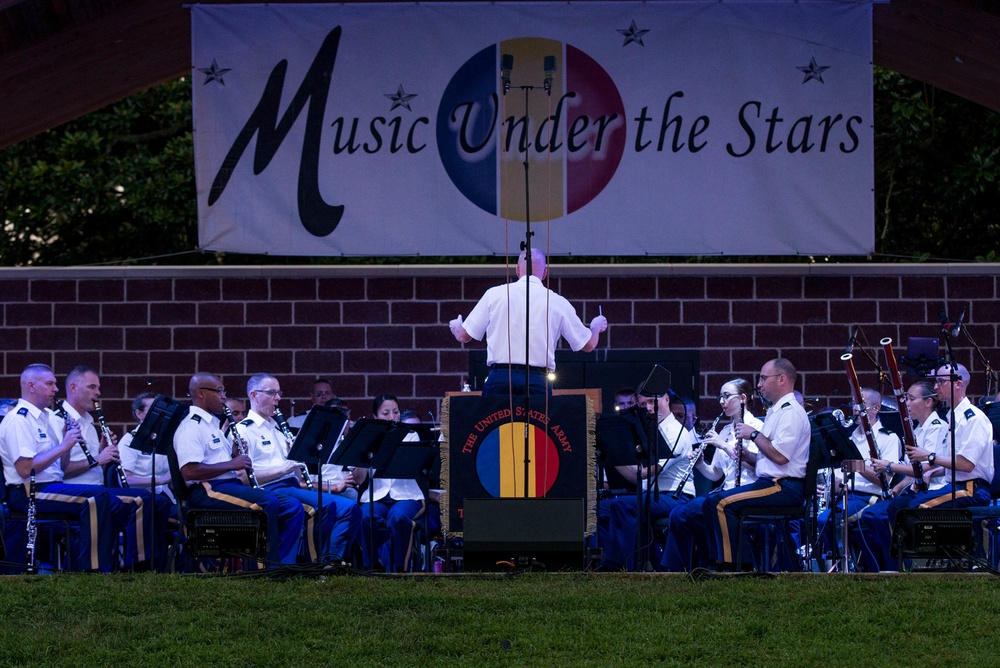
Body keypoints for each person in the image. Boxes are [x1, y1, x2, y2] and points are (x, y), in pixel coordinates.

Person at [173, 372, 305, 566]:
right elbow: (189, 471)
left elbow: (219, 462)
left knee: (292, 507)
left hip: (228, 485)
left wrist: (234, 455)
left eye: (223, 391)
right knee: (266, 501)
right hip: (207, 489)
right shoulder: (191, 427)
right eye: (219, 391)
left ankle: (284, 564)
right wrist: (232, 464)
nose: (224, 397)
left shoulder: (213, 424)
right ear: (200, 393)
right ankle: (265, 568)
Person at [0, 364, 118, 571]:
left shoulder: (46, 419)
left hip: (50, 486)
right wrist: (63, 445)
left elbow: (60, 468)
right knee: (95, 497)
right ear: (31, 386)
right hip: (28, 492)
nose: (55, 389)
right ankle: (92, 571)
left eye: (55, 384)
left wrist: (67, 443)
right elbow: (25, 469)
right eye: (49, 384)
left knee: (104, 497)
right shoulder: (18, 420)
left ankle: (79, 567)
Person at [237, 372, 361, 562]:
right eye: (272, 393)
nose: (278, 398)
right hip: (269, 490)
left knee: (349, 507)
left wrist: (299, 455)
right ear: (254, 395)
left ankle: (331, 562)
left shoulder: (278, 429)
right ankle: (312, 565)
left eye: (279, 393)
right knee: (325, 506)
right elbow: (244, 479)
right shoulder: (243, 430)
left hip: (292, 486)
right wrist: (285, 468)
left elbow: (295, 472)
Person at [878, 364, 994, 564]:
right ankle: (906, 565)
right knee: (897, 506)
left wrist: (929, 457)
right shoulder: (952, 417)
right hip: (957, 485)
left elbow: (966, 465)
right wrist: (935, 471)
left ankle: (932, 564)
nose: (936, 386)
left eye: (941, 381)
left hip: (972, 489)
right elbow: (954, 463)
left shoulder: (972, 418)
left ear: (958, 384)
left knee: (917, 507)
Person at [449, 248, 608, 396]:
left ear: (517, 270)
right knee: (537, 427)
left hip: (501, 378)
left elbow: (463, 336)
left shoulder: (494, 295)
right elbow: (588, 345)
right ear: (545, 273)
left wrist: (457, 326)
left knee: (497, 426)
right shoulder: (557, 302)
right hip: (537, 381)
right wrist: (595, 328)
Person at [59, 365, 171, 570]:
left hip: (97, 489)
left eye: (98, 388)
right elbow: (62, 469)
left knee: (160, 503)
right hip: (76, 490)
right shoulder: (60, 420)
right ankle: (138, 567)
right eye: (92, 387)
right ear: (73, 387)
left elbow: (94, 464)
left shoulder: (89, 421)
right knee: (143, 499)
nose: (98, 393)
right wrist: (99, 459)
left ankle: (154, 564)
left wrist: (104, 448)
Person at [704, 358, 811, 570]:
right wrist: (748, 457)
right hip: (772, 482)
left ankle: (735, 568)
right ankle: (733, 564)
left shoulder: (790, 412)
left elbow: (780, 456)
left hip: (783, 486)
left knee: (720, 504)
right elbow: (771, 457)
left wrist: (752, 434)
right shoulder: (776, 411)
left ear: (781, 379)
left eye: (763, 378)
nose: (759, 385)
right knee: (713, 501)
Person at [661, 379, 762, 571]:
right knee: (680, 513)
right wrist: (699, 464)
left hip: (747, 490)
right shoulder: (724, 430)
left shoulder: (756, 427)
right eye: (720, 397)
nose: (722, 402)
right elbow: (715, 474)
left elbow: (757, 466)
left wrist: (722, 445)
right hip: (725, 491)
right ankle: (684, 569)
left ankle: (705, 566)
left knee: (694, 511)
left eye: (727, 396)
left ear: (743, 398)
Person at [854, 379, 948, 571]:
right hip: (914, 490)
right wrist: (895, 488)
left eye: (911, 399)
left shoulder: (937, 426)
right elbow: (910, 473)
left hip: (934, 489)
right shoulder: (917, 428)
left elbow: (923, 469)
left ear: (928, 402)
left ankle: (900, 567)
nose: (905, 403)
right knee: (870, 516)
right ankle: (878, 568)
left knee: (880, 515)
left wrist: (889, 466)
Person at [597, 390, 696, 571]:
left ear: (667, 399)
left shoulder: (675, 432)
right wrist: (610, 454)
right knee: (601, 508)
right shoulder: (650, 430)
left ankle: (616, 566)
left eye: (652, 402)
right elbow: (636, 477)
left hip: (676, 496)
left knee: (623, 506)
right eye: (643, 405)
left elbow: (645, 473)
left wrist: (612, 453)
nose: (649, 408)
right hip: (650, 495)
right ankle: (609, 561)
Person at [814, 387, 900, 563]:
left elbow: (885, 481)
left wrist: (857, 465)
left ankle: (840, 565)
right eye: (854, 403)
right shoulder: (850, 439)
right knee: (820, 517)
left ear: (875, 408)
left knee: (827, 520)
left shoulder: (888, 438)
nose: (854, 409)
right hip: (845, 497)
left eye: (860, 404)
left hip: (869, 497)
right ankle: (840, 563)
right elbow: (839, 477)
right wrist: (830, 486)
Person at [354, 393, 427, 572]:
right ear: (375, 417)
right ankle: (372, 566)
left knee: (398, 517)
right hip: (377, 496)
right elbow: (359, 479)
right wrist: (361, 453)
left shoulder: (410, 436)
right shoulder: (368, 439)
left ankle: (398, 569)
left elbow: (413, 468)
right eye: (385, 413)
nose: (392, 417)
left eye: (395, 412)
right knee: (363, 516)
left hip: (407, 495)